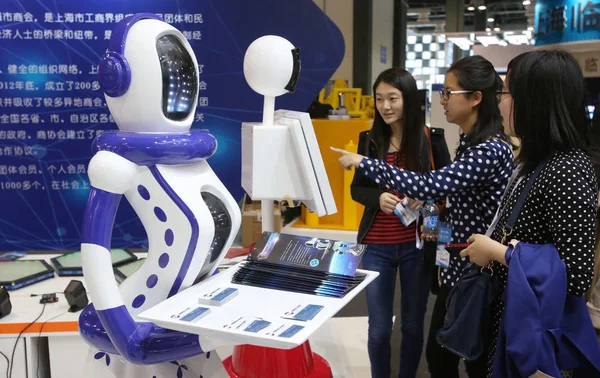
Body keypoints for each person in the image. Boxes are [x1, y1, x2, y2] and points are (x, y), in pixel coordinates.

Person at [332, 55, 515, 378]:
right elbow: (452, 205)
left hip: (454, 262)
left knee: (440, 341)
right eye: (379, 99)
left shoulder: (465, 145)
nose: (385, 106)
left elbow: (433, 188)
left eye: (448, 93)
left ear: (475, 98)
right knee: (386, 331)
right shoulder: (467, 143)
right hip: (410, 252)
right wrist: (443, 260)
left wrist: (366, 164)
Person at [460, 50, 600, 376]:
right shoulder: (535, 160)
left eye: (507, 92)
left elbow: (575, 274)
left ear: (534, 101)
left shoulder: (567, 168)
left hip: (534, 334)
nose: (499, 102)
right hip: (512, 321)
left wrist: (497, 251)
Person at [349, 67, 435, 378]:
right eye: (380, 99)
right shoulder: (369, 140)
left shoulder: (429, 139)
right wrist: (377, 198)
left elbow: (448, 190)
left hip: (417, 246)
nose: (385, 106)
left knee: (412, 325)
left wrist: (426, 200)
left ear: (408, 100)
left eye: (393, 98)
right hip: (377, 247)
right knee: (379, 328)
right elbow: (357, 189)